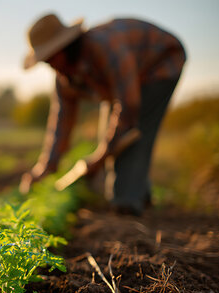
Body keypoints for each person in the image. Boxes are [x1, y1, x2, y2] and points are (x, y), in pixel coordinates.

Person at [19, 14, 186, 215]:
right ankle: (140, 194)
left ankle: (128, 203)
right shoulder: (63, 77)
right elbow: (61, 123)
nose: (51, 65)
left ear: (64, 47)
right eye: (45, 61)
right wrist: (45, 168)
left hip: (161, 63)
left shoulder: (104, 47)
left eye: (51, 57)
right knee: (111, 137)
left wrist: (100, 157)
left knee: (133, 131)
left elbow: (128, 109)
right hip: (125, 85)